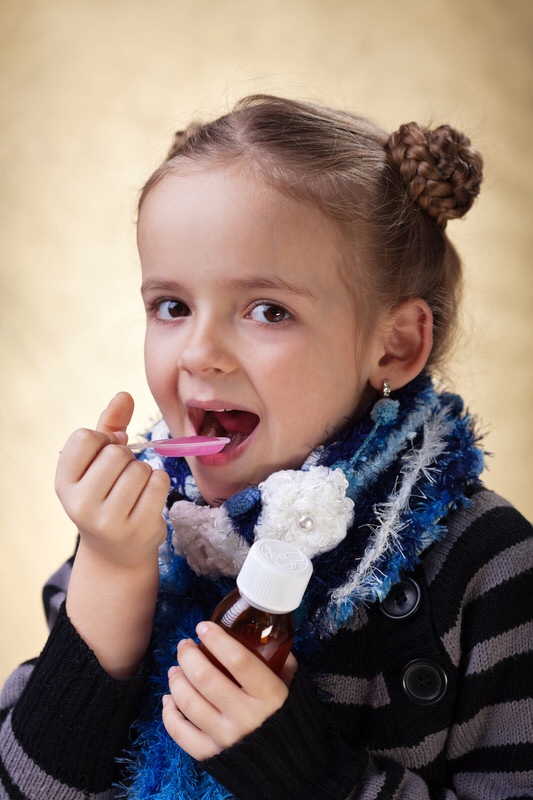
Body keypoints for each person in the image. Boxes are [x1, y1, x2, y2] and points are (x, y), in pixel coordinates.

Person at [1, 94, 531, 800]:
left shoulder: (484, 566)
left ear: (396, 344)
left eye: (267, 311)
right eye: (171, 306)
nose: (199, 351)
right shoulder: (136, 536)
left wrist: (307, 774)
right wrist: (109, 575)